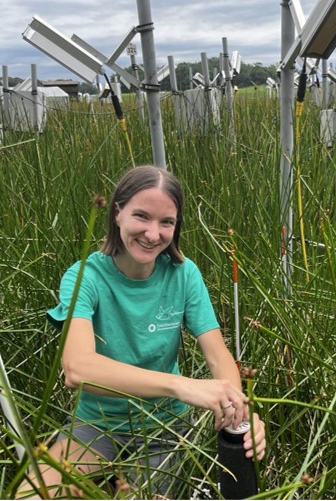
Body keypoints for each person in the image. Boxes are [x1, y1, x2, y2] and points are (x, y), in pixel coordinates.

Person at [17, 165, 266, 498]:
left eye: (166, 222)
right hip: (97, 423)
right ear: (118, 213)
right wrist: (179, 386)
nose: (152, 234)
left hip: (167, 429)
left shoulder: (184, 274)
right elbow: (77, 369)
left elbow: (218, 355)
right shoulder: (84, 277)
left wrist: (238, 412)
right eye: (142, 217)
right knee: (31, 494)